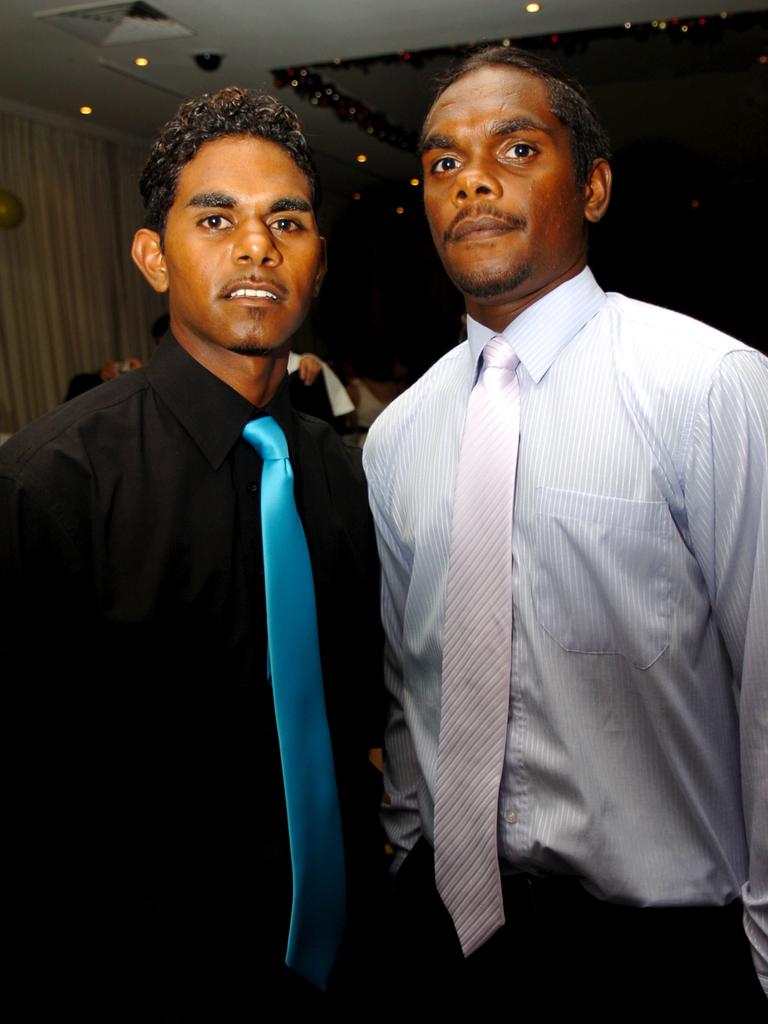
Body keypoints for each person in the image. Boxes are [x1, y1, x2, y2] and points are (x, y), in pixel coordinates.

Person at [363, 46, 767, 1014]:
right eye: (443, 163)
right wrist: (404, 848)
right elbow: (416, 681)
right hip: (457, 935)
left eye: (515, 147)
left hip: (664, 953)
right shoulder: (398, 435)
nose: (474, 181)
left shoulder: (710, 387)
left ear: (592, 187)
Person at [1, 86, 385, 1016]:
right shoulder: (52, 484)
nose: (257, 247)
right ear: (152, 256)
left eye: (285, 221)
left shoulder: (336, 478)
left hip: (356, 958)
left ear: (317, 261)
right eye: (217, 218)